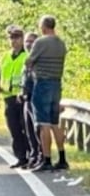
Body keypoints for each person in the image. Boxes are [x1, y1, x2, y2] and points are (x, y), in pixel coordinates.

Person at [26, 15, 69, 172]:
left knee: (43, 124)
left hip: (43, 83)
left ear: (43, 27)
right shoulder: (60, 43)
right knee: (54, 122)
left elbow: (29, 61)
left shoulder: (41, 41)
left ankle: (47, 160)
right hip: (56, 83)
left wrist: (30, 68)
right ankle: (62, 158)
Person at [0, 25, 28, 168]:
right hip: (9, 98)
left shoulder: (27, 56)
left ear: (22, 39)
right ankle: (20, 157)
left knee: (26, 128)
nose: (13, 41)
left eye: (17, 38)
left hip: (23, 98)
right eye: (11, 38)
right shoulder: (5, 57)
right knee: (14, 129)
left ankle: (30, 155)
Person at [20, 32, 42, 168]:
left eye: (32, 41)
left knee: (37, 128)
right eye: (27, 41)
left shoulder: (38, 59)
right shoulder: (27, 58)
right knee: (29, 129)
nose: (29, 44)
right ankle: (33, 156)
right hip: (26, 98)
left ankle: (40, 155)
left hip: (36, 98)